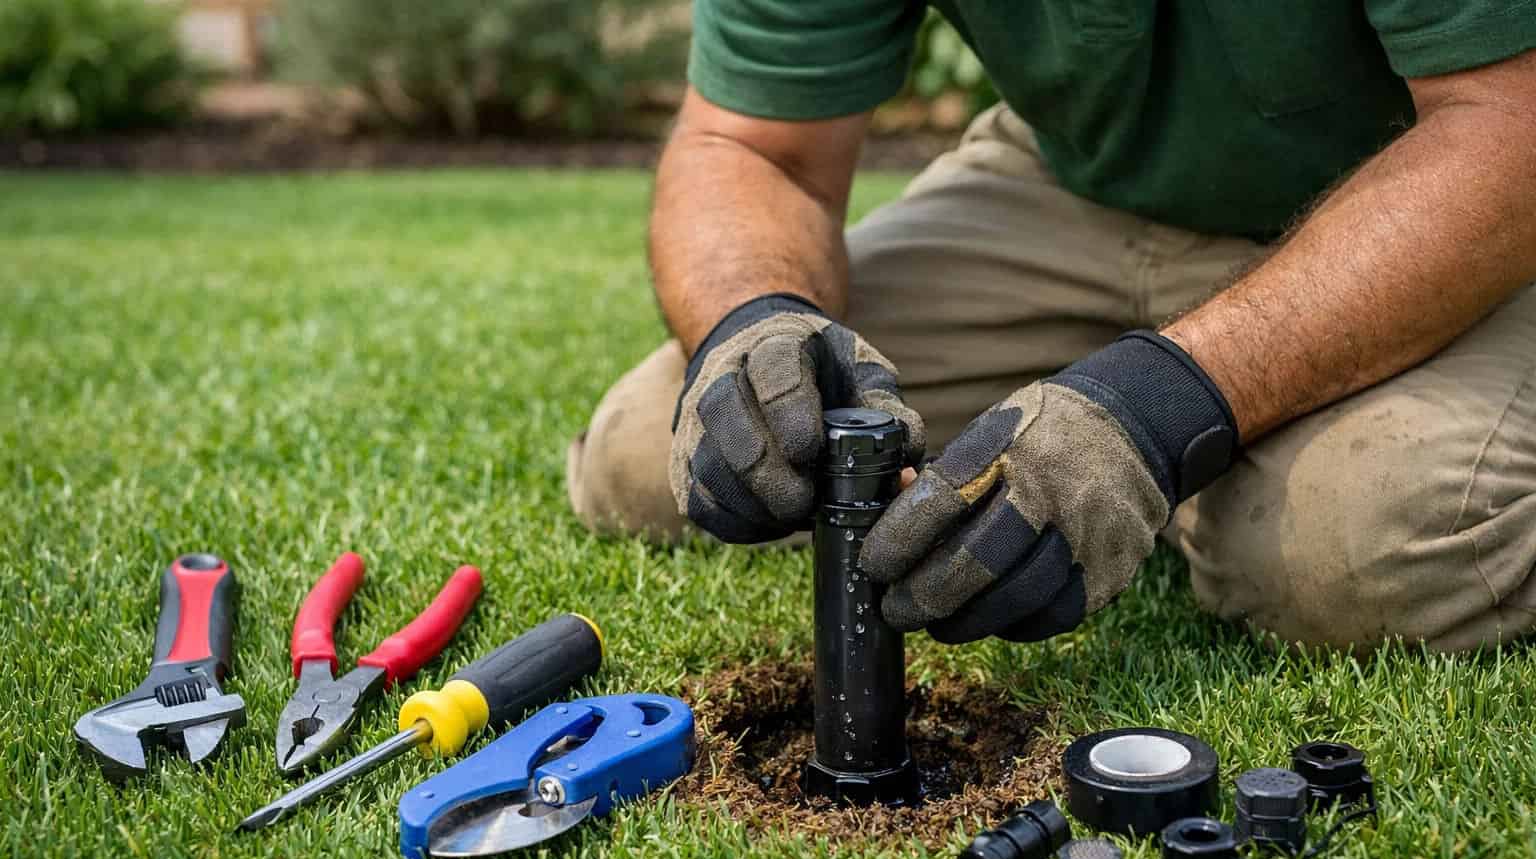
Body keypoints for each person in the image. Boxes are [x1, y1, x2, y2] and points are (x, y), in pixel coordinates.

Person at [567, 2, 1536, 652]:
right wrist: (753, 319)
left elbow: (1508, 120)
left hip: (1447, 194)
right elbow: (748, 145)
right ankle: (1211, 459)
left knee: (1362, 552)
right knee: (667, 454)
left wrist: (1153, 414)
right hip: (1082, 183)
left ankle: (1217, 465)